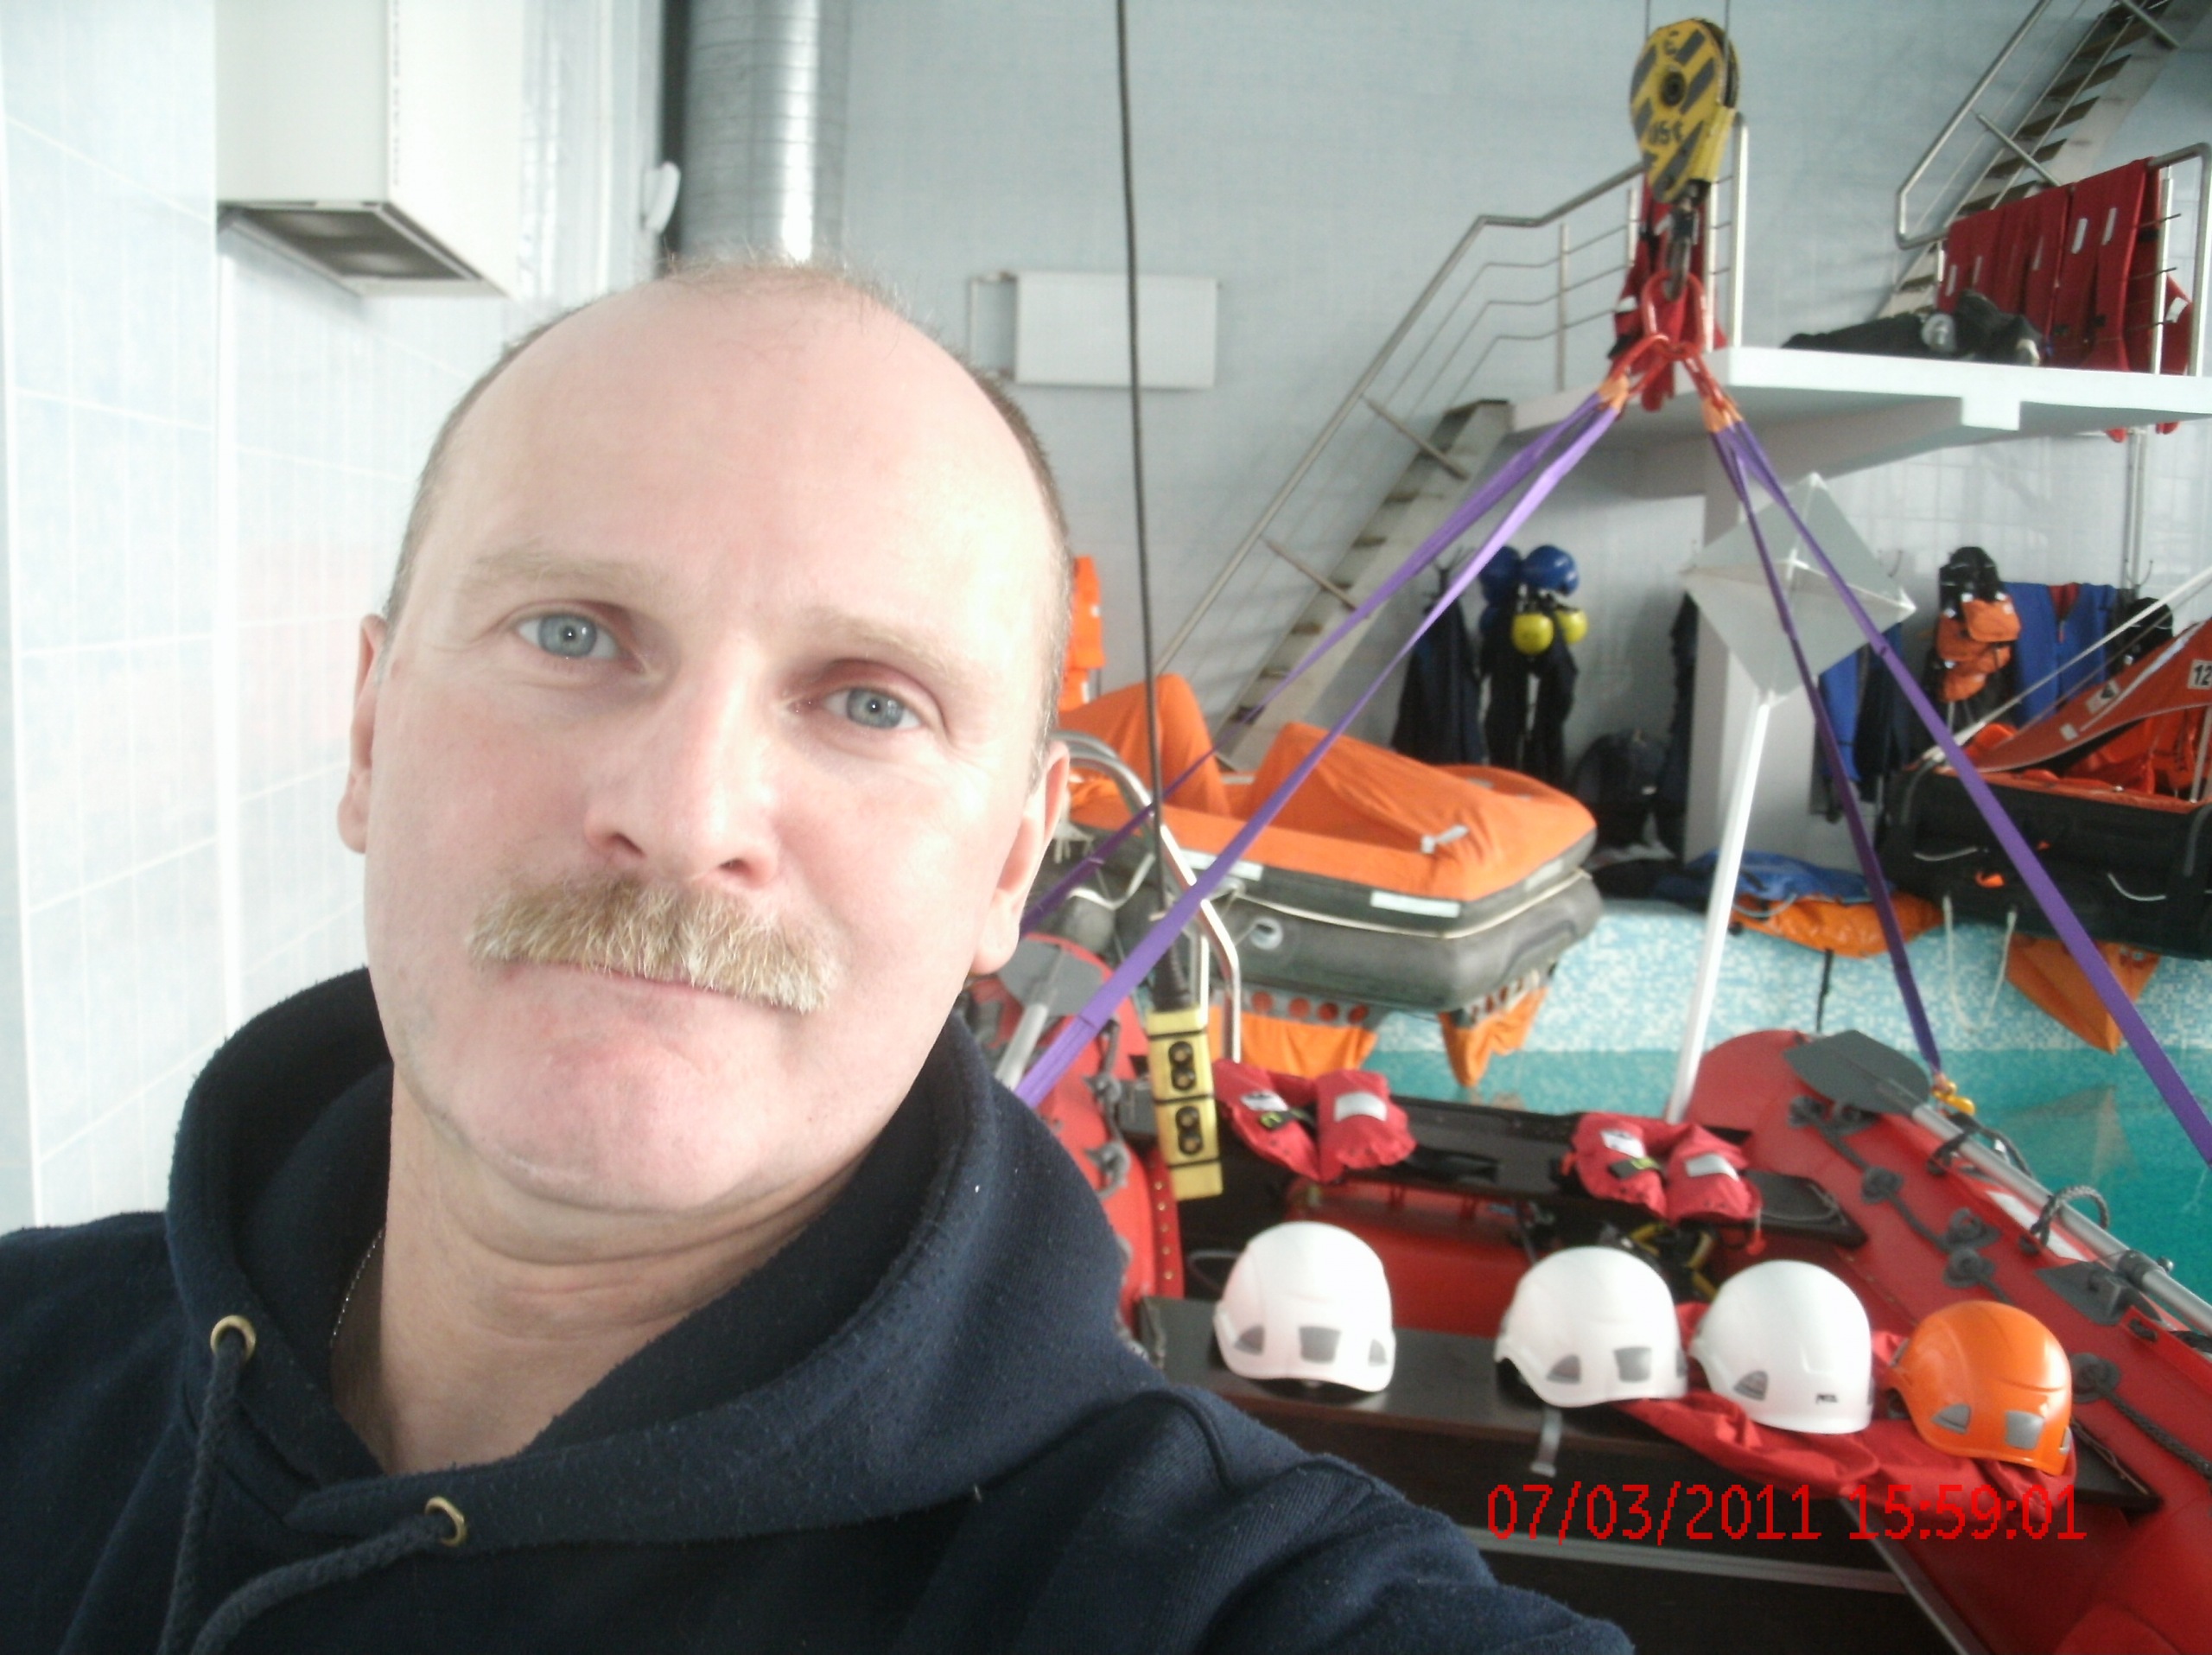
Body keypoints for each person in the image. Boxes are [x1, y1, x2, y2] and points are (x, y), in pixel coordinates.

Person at [0, 261, 1628, 1655]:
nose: (683, 814)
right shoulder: (29, 1362)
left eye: (868, 702)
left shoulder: (1203, 1596)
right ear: (370, 732)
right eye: (572, 633)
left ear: (1011, 863)